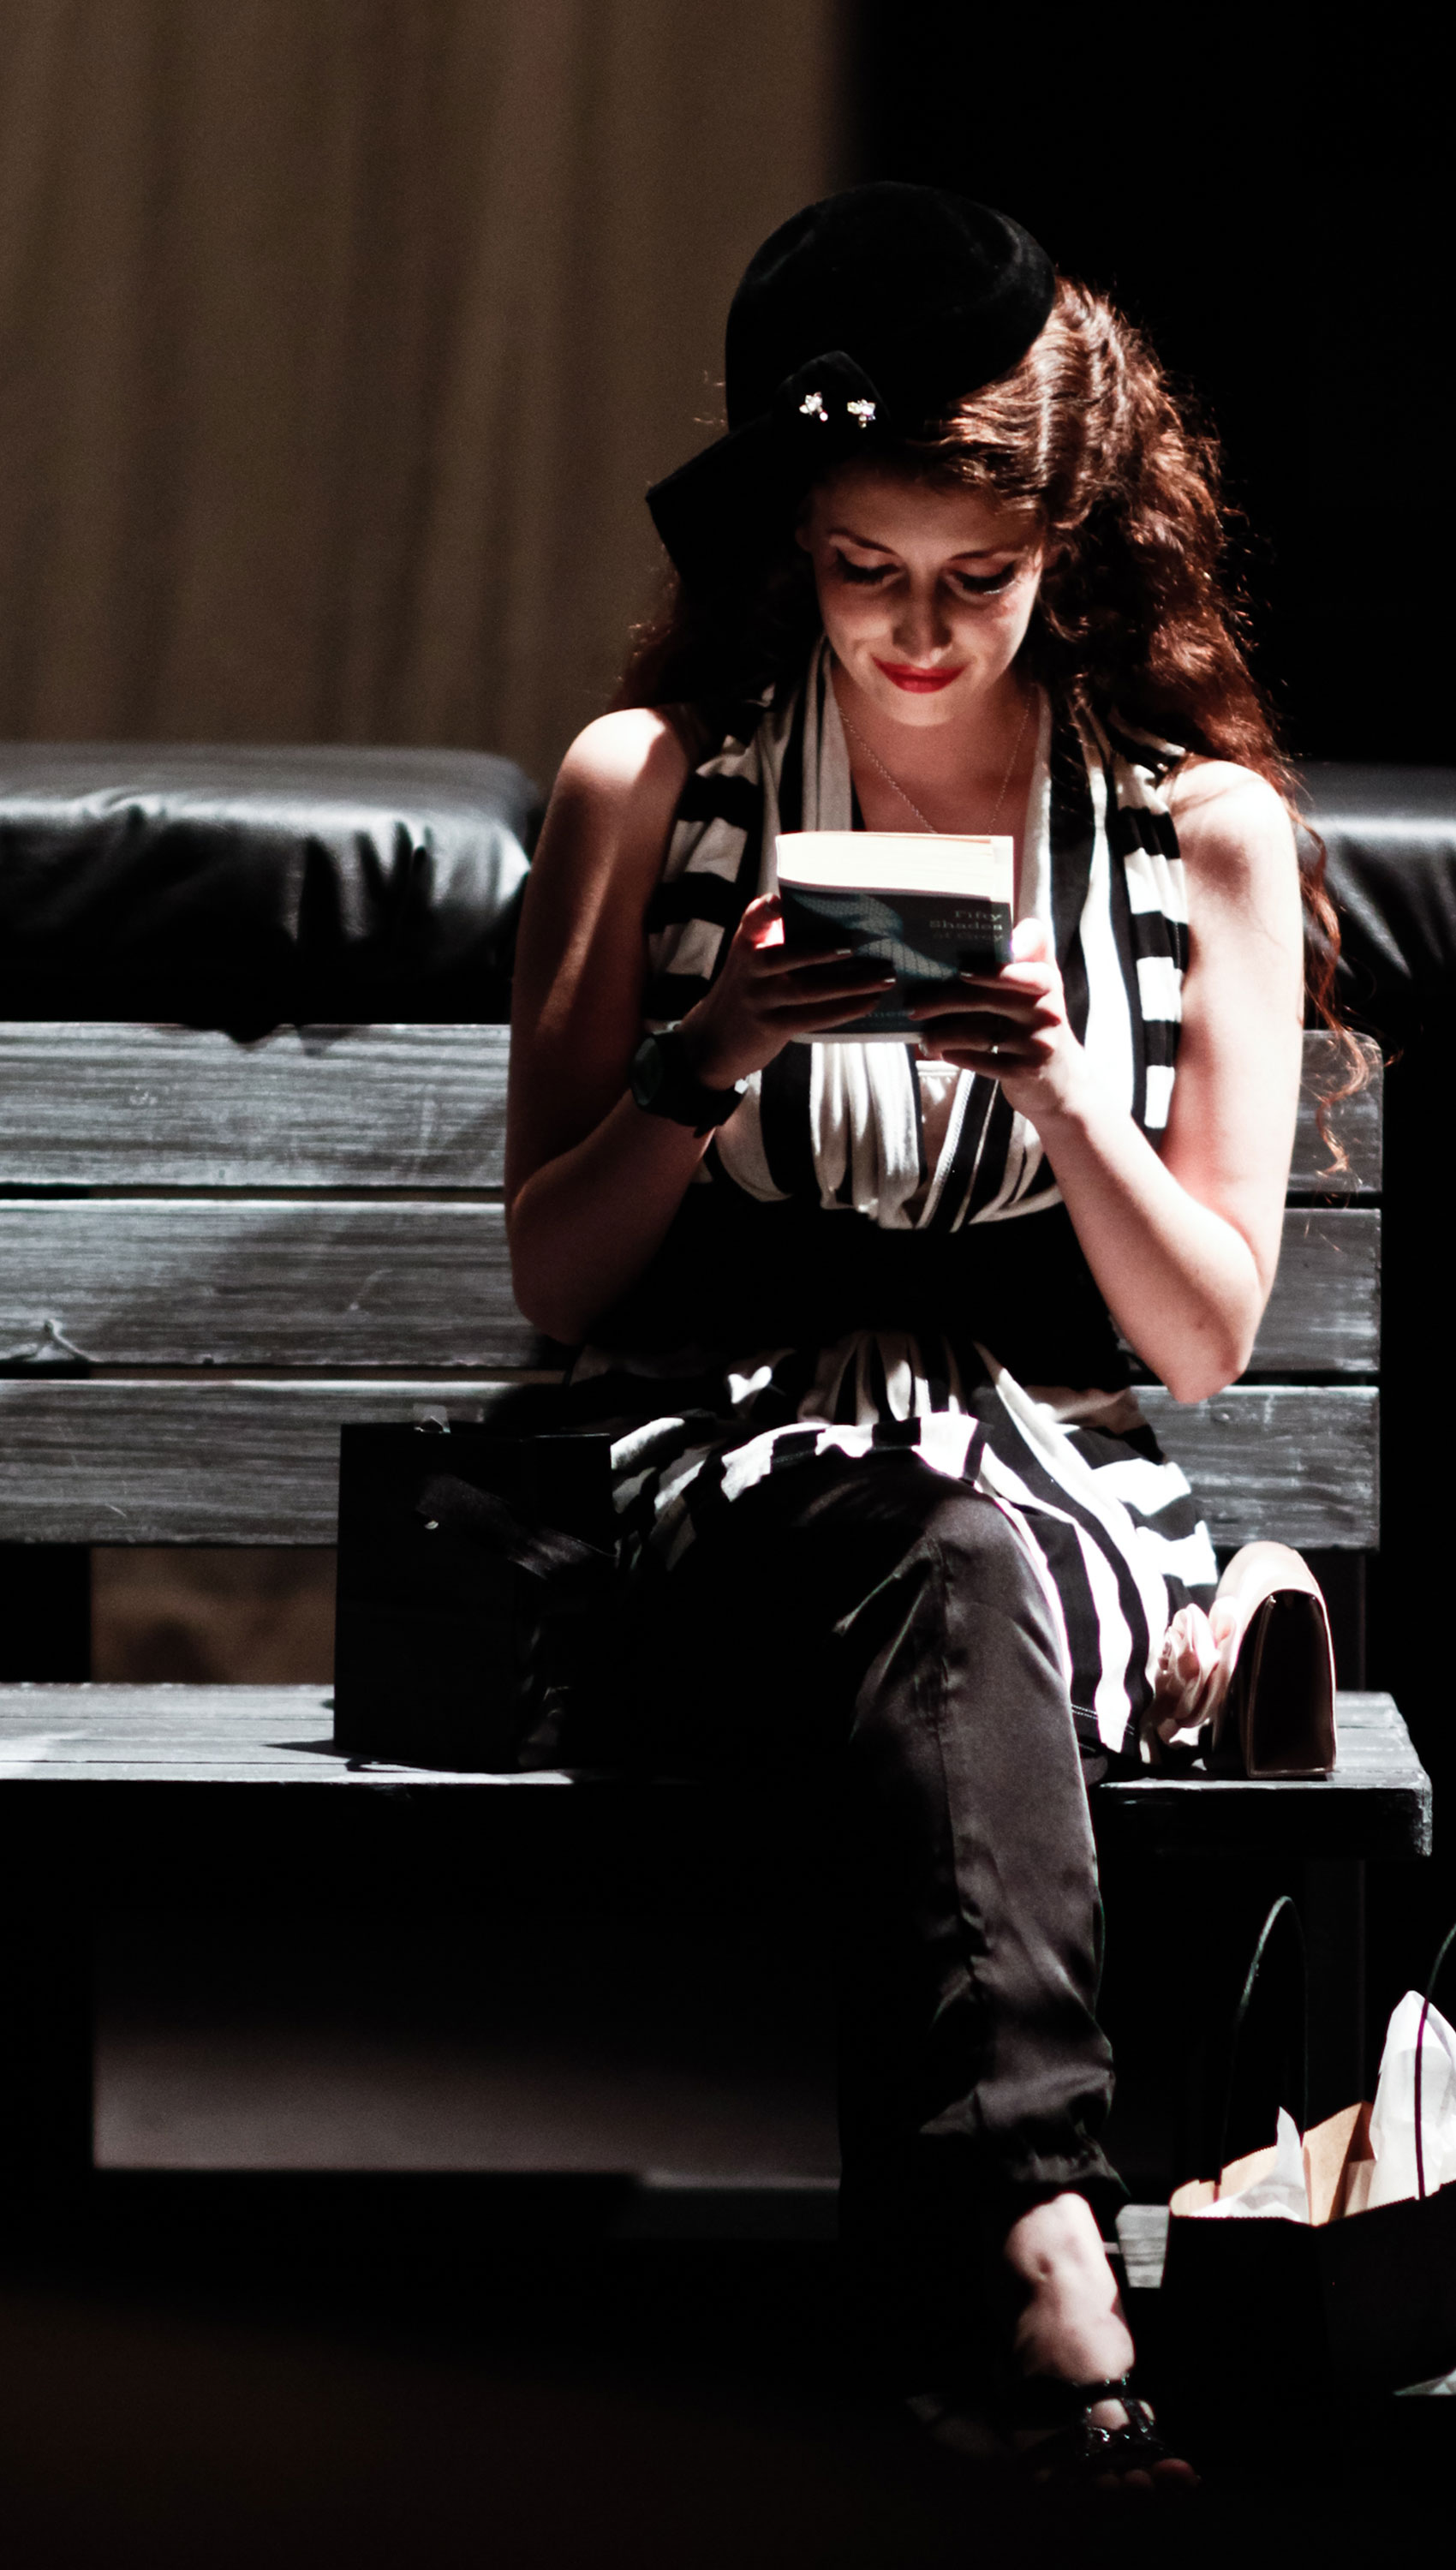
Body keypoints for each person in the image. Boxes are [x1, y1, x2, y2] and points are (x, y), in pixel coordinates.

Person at [504, 183, 1346, 2489]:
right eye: (862, 573)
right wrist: (704, 1068)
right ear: (796, 543)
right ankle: (1042, 2249)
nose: (912, 634)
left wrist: (1062, 1085)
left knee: (971, 1547)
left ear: (1071, 544)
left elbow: (1198, 1339)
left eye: (974, 582)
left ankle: (998, 2266)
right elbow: (557, 1285)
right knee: (919, 1554)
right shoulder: (648, 782)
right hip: (719, 1472)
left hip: (1053, 1466)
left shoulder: (1198, 841)